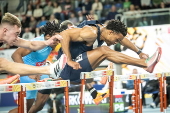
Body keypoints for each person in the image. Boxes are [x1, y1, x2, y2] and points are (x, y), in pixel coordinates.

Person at [9, 21, 61, 113]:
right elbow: (15, 55)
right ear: (48, 36)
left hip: (40, 74)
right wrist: (29, 73)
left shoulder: (50, 44)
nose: (58, 42)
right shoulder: (37, 43)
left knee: (39, 106)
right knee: (24, 110)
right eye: (56, 39)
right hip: (28, 76)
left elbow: (39, 58)